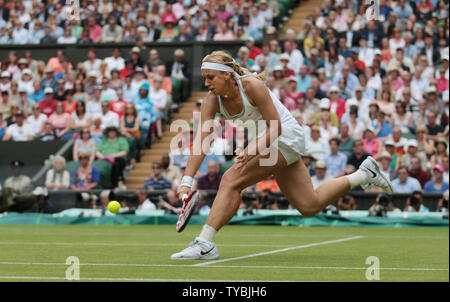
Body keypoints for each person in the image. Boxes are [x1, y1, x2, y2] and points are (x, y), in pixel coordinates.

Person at [171, 50, 393, 260]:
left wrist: (251, 149)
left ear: (227, 75)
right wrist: (186, 181)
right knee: (309, 204)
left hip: (285, 137)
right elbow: (201, 141)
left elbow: (275, 127)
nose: (206, 83)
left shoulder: (252, 86)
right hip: (267, 143)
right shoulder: (212, 100)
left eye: (211, 77)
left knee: (230, 180)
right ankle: (364, 174)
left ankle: (205, 244)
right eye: (205, 78)